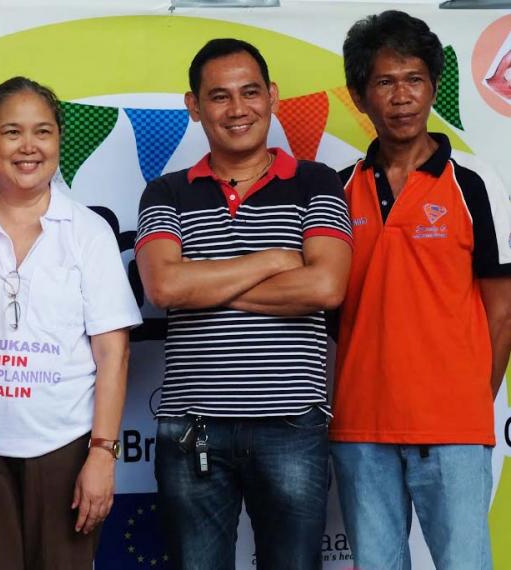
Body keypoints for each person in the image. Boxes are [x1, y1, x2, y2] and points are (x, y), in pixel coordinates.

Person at [135, 39, 353, 569]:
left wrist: (204, 283)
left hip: (291, 425)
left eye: (250, 92)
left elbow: (326, 288)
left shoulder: (316, 182)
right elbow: (163, 289)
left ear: (273, 96)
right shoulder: (165, 192)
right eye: (220, 96)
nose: (238, 109)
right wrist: (275, 259)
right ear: (194, 105)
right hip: (193, 427)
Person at [329, 11, 511, 570]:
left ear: (433, 86)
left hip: (453, 429)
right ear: (361, 96)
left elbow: (502, 312)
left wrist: (468, 401)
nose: (402, 96)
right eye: (385, 82)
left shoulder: (476, 184)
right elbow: (328, 310)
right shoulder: (338, 190)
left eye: (414, 79)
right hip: (360, 425)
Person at [0, 76, 141, 570]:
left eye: (43, 132)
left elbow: (113, 353)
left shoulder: (88, 232)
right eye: (11, 132)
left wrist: (101, 454)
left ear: (58, 142)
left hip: (66, 444)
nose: (28, 147)